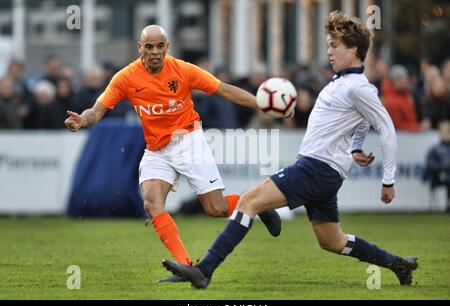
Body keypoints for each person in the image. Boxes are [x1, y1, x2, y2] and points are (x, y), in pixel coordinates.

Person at [162, 11, 418, 289]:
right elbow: (361, 119)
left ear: (354, 49)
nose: (329, 51)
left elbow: (385, 127)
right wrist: (355, 147)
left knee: (249, 201)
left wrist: (389, 180)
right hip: (324, 172)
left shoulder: (359, 88)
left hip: (315, 169)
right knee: (332, 241)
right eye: (329, 44)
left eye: (334, 45)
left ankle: (204, 270)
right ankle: (399, 265)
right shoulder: (341, 82)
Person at [64, 25, 281, 282]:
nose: (154, 52)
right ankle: (188, 268)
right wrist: (83, 120)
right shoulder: (125, 77)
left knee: (216, 209)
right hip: (157, 150)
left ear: (168, 47)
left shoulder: (183, 70)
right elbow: (96, 111)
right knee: (151, 203)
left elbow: (223, 89)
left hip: (189, 141)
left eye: (159, 46)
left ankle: (257, 204)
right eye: (149, 47)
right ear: (140, 48)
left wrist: (261, 103)